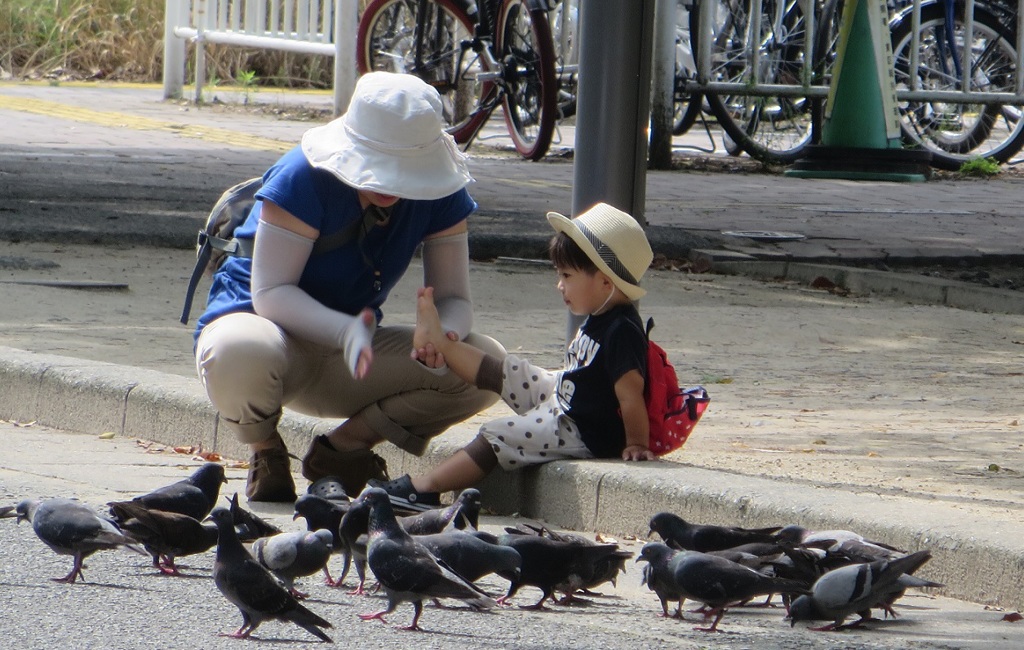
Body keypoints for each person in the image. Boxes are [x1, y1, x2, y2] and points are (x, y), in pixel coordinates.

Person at [193, 71, 503, 503]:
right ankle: (265, 449)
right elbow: (270, 293)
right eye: (381, 169)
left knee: (488, 366)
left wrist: (444, 335)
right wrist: (346, 331)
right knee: (235, 347)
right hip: (273, 341)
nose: (392, 185)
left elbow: (453, 296)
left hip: (351, 357)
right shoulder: (301, 177)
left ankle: (343, 449)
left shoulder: (441, 190)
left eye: (405, 171)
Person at [370, 202, 656, 510]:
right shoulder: (601, 313)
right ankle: (442, 343)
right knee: (512, 371)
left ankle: (424, 489)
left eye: (567, 275)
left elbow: (630, 395)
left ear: (604, 282)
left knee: (501, 433)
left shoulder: (622, 330)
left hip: (582, 430)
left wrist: (636, 444)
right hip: (567, 398)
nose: (559, 285)